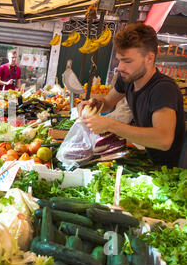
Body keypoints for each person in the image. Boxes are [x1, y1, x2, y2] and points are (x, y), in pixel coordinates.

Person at [78, 23, 185, 167]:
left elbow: (163, 140)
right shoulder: (128, 79)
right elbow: (108, 102)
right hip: (147, 157)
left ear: (149, 58)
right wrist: (94, 104)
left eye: (127, 61)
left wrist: (110, 125)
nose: (120, 67)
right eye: (119, 60)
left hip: (169, 169)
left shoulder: (163, 89)